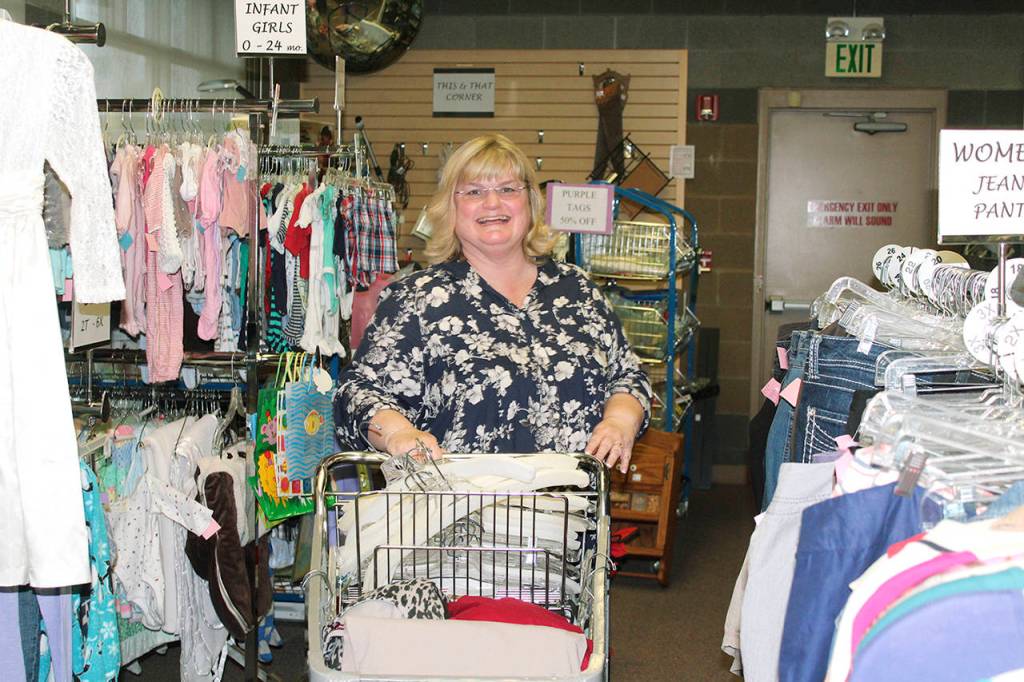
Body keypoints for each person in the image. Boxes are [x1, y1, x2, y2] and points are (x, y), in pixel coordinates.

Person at [333, 133, 651, 473]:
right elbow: (358, 393)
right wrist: (399, 433)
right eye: (474, 192)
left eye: (508, 189)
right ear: (451, 207)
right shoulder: (417, 299)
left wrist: (619, 422)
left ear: (529, 202)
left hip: (568, 517)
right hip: (457, 517)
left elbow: (628, 376)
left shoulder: (578, 290)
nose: (493, 203)